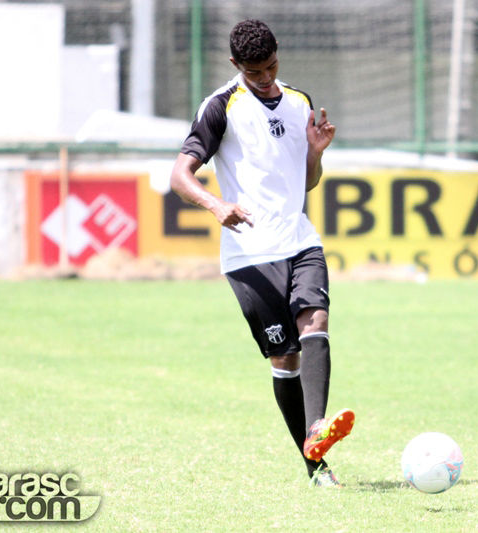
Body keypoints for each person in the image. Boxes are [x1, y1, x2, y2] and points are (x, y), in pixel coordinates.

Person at [170, 19, 354, 488]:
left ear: (278, 54)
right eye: (256, 73)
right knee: (285, 360)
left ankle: (317, 430)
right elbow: (180, 175)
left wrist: (315, 153)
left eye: (272, 66)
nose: (267, 78)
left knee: (315, 319)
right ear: (236, 66)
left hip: (300, 238)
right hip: (250, 254)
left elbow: (307, 183)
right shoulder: (220, 107)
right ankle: (315, 464)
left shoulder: (299, 102)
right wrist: (214, 204)